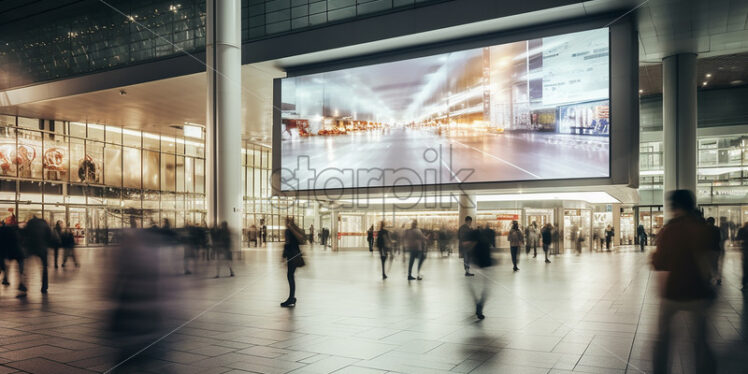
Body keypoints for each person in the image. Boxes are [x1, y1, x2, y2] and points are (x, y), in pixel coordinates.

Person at [651, 190, 716, 374]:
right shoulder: (701, 229)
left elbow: (661, 266)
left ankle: (661, 370)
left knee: (663, 338)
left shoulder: (667, 231)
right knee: (700, 340)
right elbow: (708, 262)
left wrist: (662, 294)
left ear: (673, 207)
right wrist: (710, 284)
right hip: (698, 293)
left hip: (672, 293)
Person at [462, 223, 495, 320]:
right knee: (483, 290)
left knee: (479, 290)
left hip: (480, 269)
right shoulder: (483, 242)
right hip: (482, 269)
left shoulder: (478, 245)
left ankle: (478, 306)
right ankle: (479, 306)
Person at [20, 215, 52, 296]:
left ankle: (24, 285)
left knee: (26, 266)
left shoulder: (30, 223)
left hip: (30, 247)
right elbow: (49, 235)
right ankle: (44, 286)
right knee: (44, 267)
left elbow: (24, 233)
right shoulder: (44, 223)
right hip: (42, 247)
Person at [282, 217, 305, 307]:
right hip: (296, 255)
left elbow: (287, 243)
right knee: (291, 276)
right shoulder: (296, 230)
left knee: (290, 276)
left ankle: (291, 298)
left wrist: (283, 255)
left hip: (292, 256)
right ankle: (292, 297)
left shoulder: (289, 231)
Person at [706, 217, 723, 285]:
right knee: (715, 264)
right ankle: (718, 278)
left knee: (708, 264)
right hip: (716, 248)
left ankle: (709, 277)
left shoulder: (706, 229)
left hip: (708, 249)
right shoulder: (717, 228)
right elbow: (719, 238)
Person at [737, 222, 748, 292]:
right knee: (745, 266)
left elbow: (738, 238)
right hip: (745, 249)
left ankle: (744, 283)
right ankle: (745, 283)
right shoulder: (742, 230)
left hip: (745, 249)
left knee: (745, 267)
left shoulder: (742, 229)